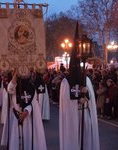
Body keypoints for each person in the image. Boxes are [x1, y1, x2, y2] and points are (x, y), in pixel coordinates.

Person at [59, 22, 100, 150]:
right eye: (75, 65)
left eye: (79, 64)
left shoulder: (86, 79)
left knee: (86, 143)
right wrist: (77, 101)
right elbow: (65, 102)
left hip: (85, 116)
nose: (77, 67)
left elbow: (91, 99)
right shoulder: (66, 82)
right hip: (73, 117)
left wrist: (86, 95)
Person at [1, 69, 47, 150]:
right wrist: (16, 74)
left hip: (28, 118)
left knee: (28, 140)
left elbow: (34, 103)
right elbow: (10, 89)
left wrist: (27, 111)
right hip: (16, 116)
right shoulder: (13, 85)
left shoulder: (31, 87)